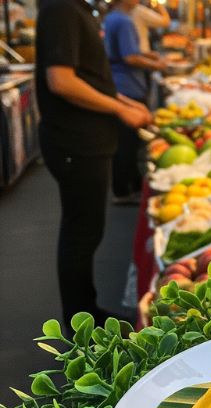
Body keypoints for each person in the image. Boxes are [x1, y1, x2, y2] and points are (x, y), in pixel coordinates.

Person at [35, 0, 151, 325]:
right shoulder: (61, 9)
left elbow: (92, 79)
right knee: (81, 234)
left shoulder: (77, 9)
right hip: (76, 141)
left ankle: (86, 314)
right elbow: (61, 80)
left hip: (86, 141)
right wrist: (119, 109)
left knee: (87, 231)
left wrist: (126, 103)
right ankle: (81, 324)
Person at [104, 0, 166, 203]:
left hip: (120, 82)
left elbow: (127, 52)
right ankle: (126, 190)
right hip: (128, 85)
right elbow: (130, 57)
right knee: (128, 143)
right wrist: (156, 65)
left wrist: (148, 55)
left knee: (124, 142)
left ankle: (125, 187)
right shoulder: (124, 21)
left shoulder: (113, 18)